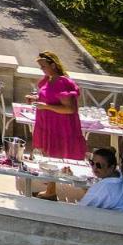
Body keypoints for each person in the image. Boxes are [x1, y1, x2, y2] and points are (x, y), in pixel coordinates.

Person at [25, 50, 84, 200]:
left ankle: (88, 192)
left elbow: (70, 109)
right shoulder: (49, 79)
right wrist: (35, 98)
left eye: (43, 66)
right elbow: (50, 98)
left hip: (60, 127)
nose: (42, 69)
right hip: (48, 125)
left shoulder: (62, 82)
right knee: (50, 156)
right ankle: (51, 190)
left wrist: (45, 107)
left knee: (64, 157)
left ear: (53, 64)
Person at [80, 147, 123, 212]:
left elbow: (80, 209)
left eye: (99, 165)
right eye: (92, 163)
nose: (94, 168)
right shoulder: (120, 178)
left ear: (111, 167)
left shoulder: (102, 188)